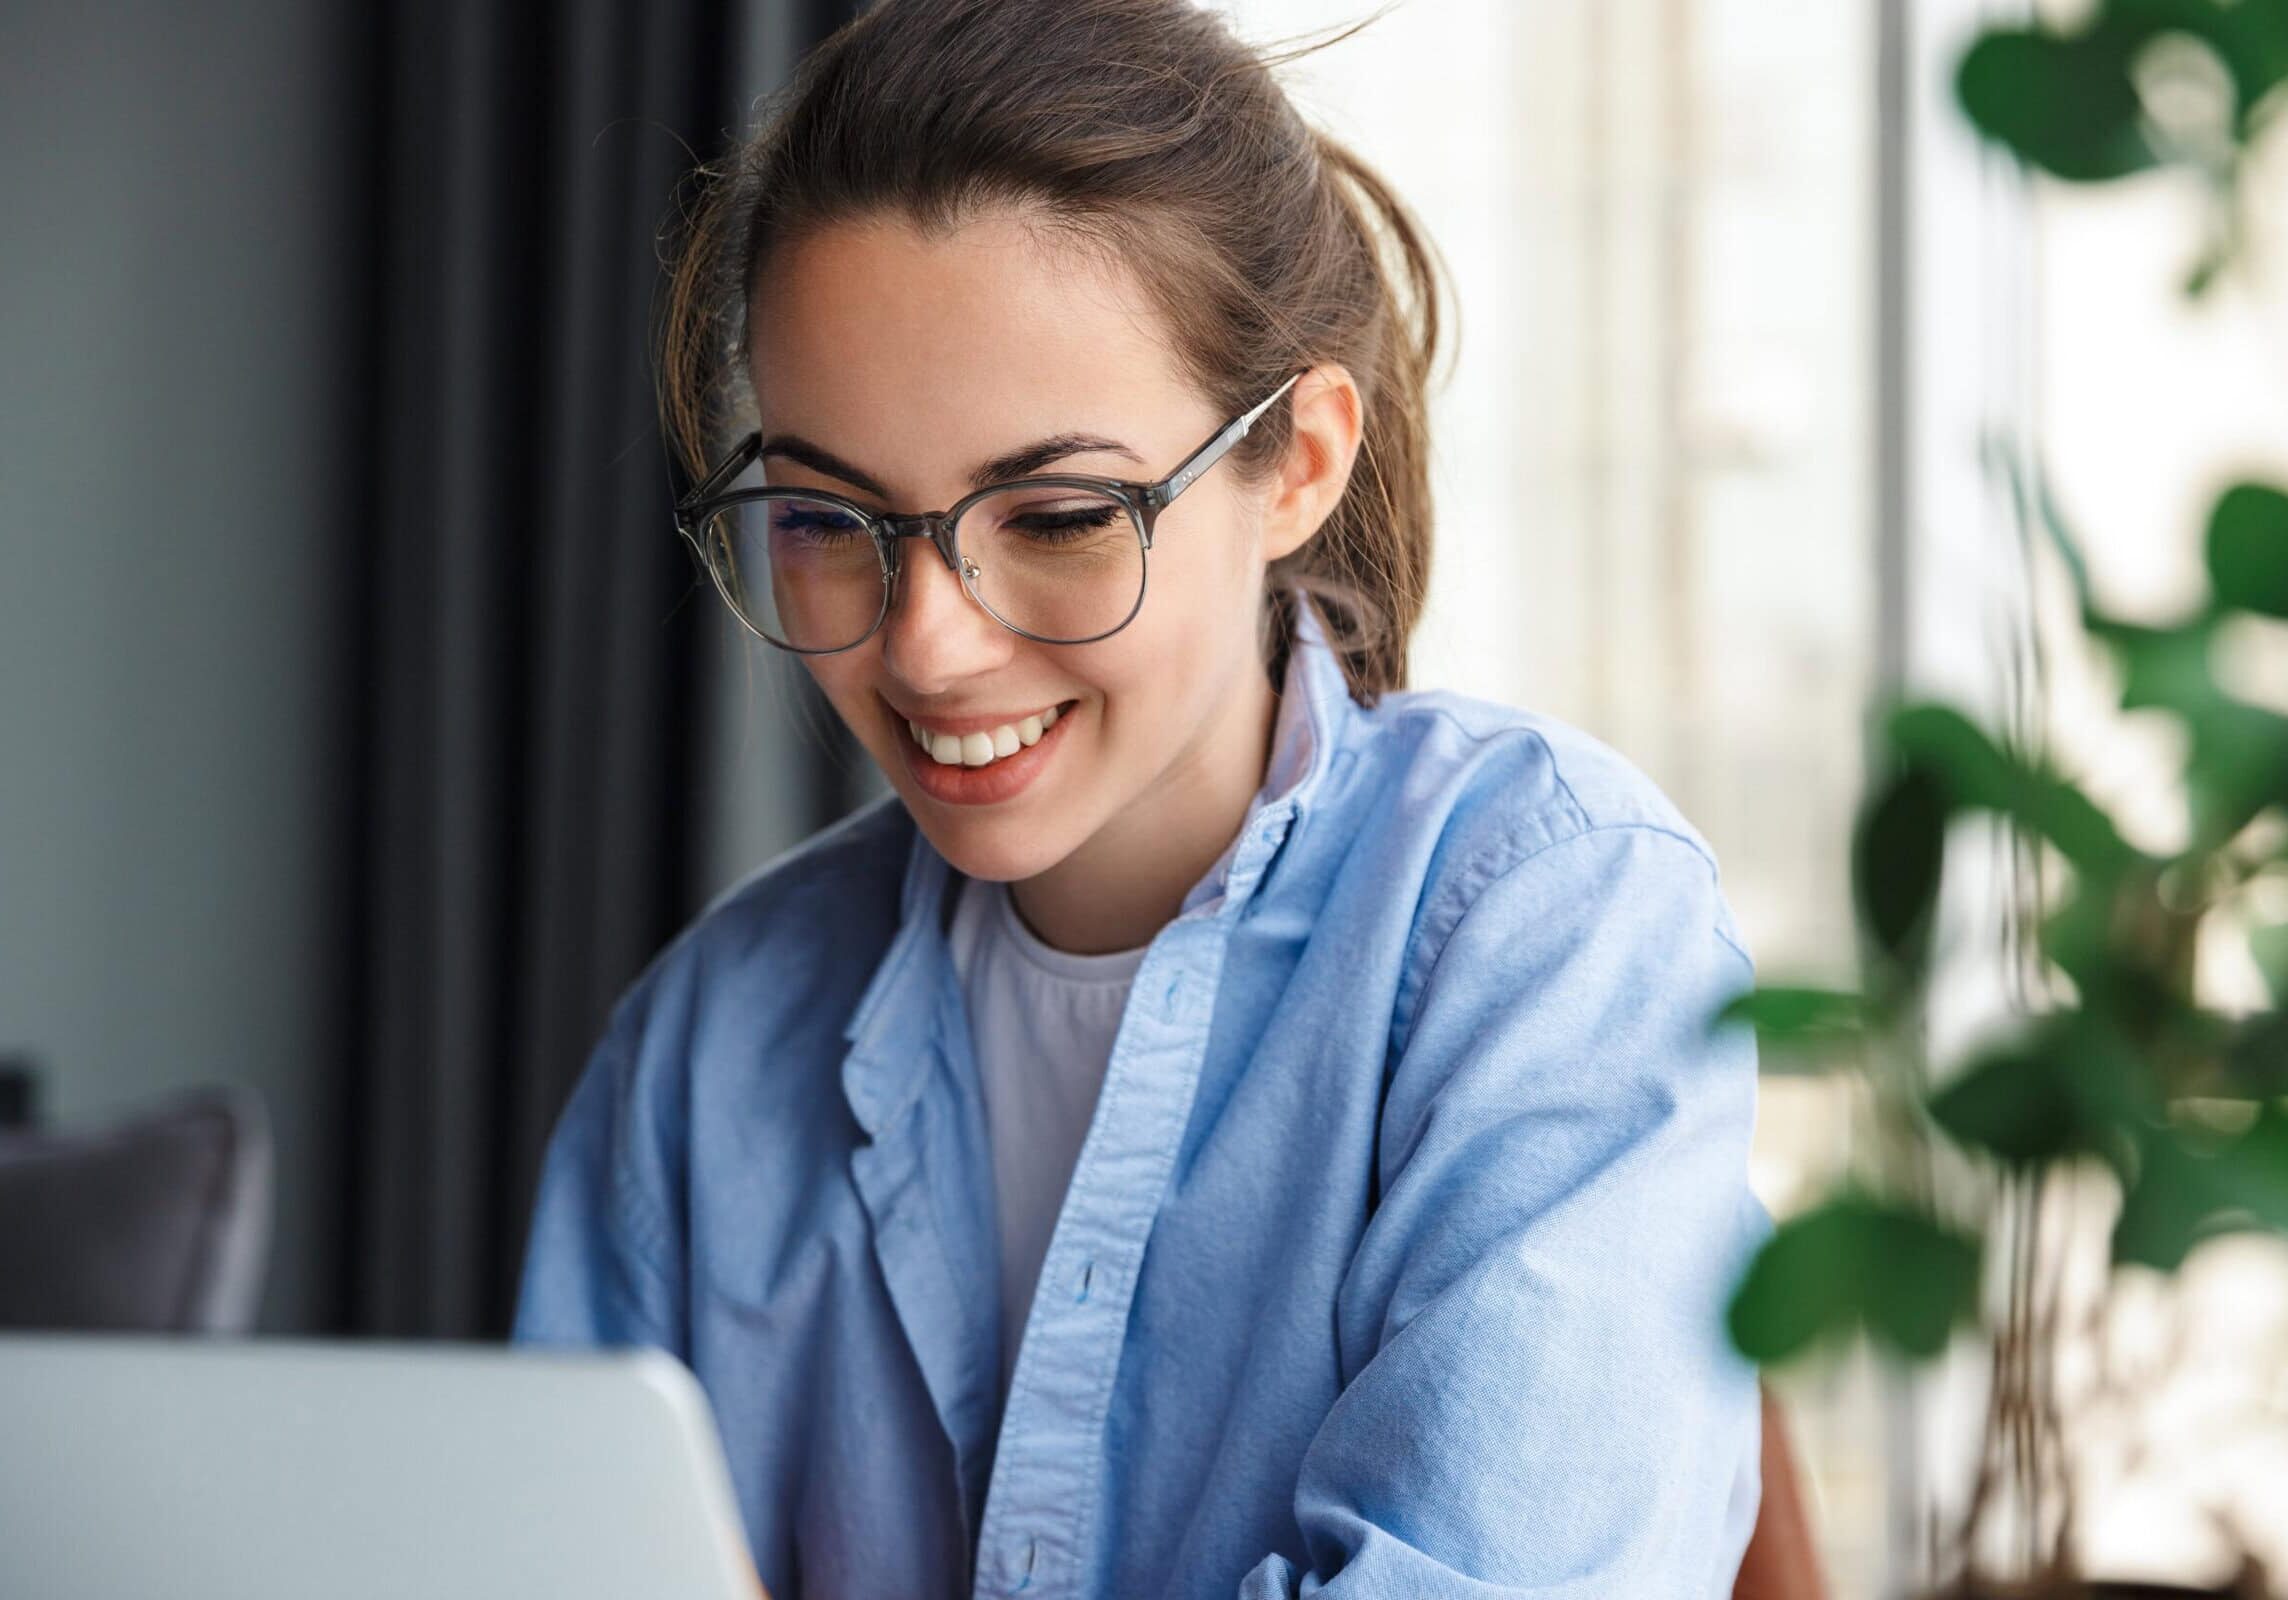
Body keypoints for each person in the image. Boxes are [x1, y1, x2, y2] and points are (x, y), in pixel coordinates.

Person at [512, 1, 1769, 1595]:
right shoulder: (711, 1043)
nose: (927, 643)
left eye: (1055, 512)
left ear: (1297, 462)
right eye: (828, 518)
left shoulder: (1550, 924)